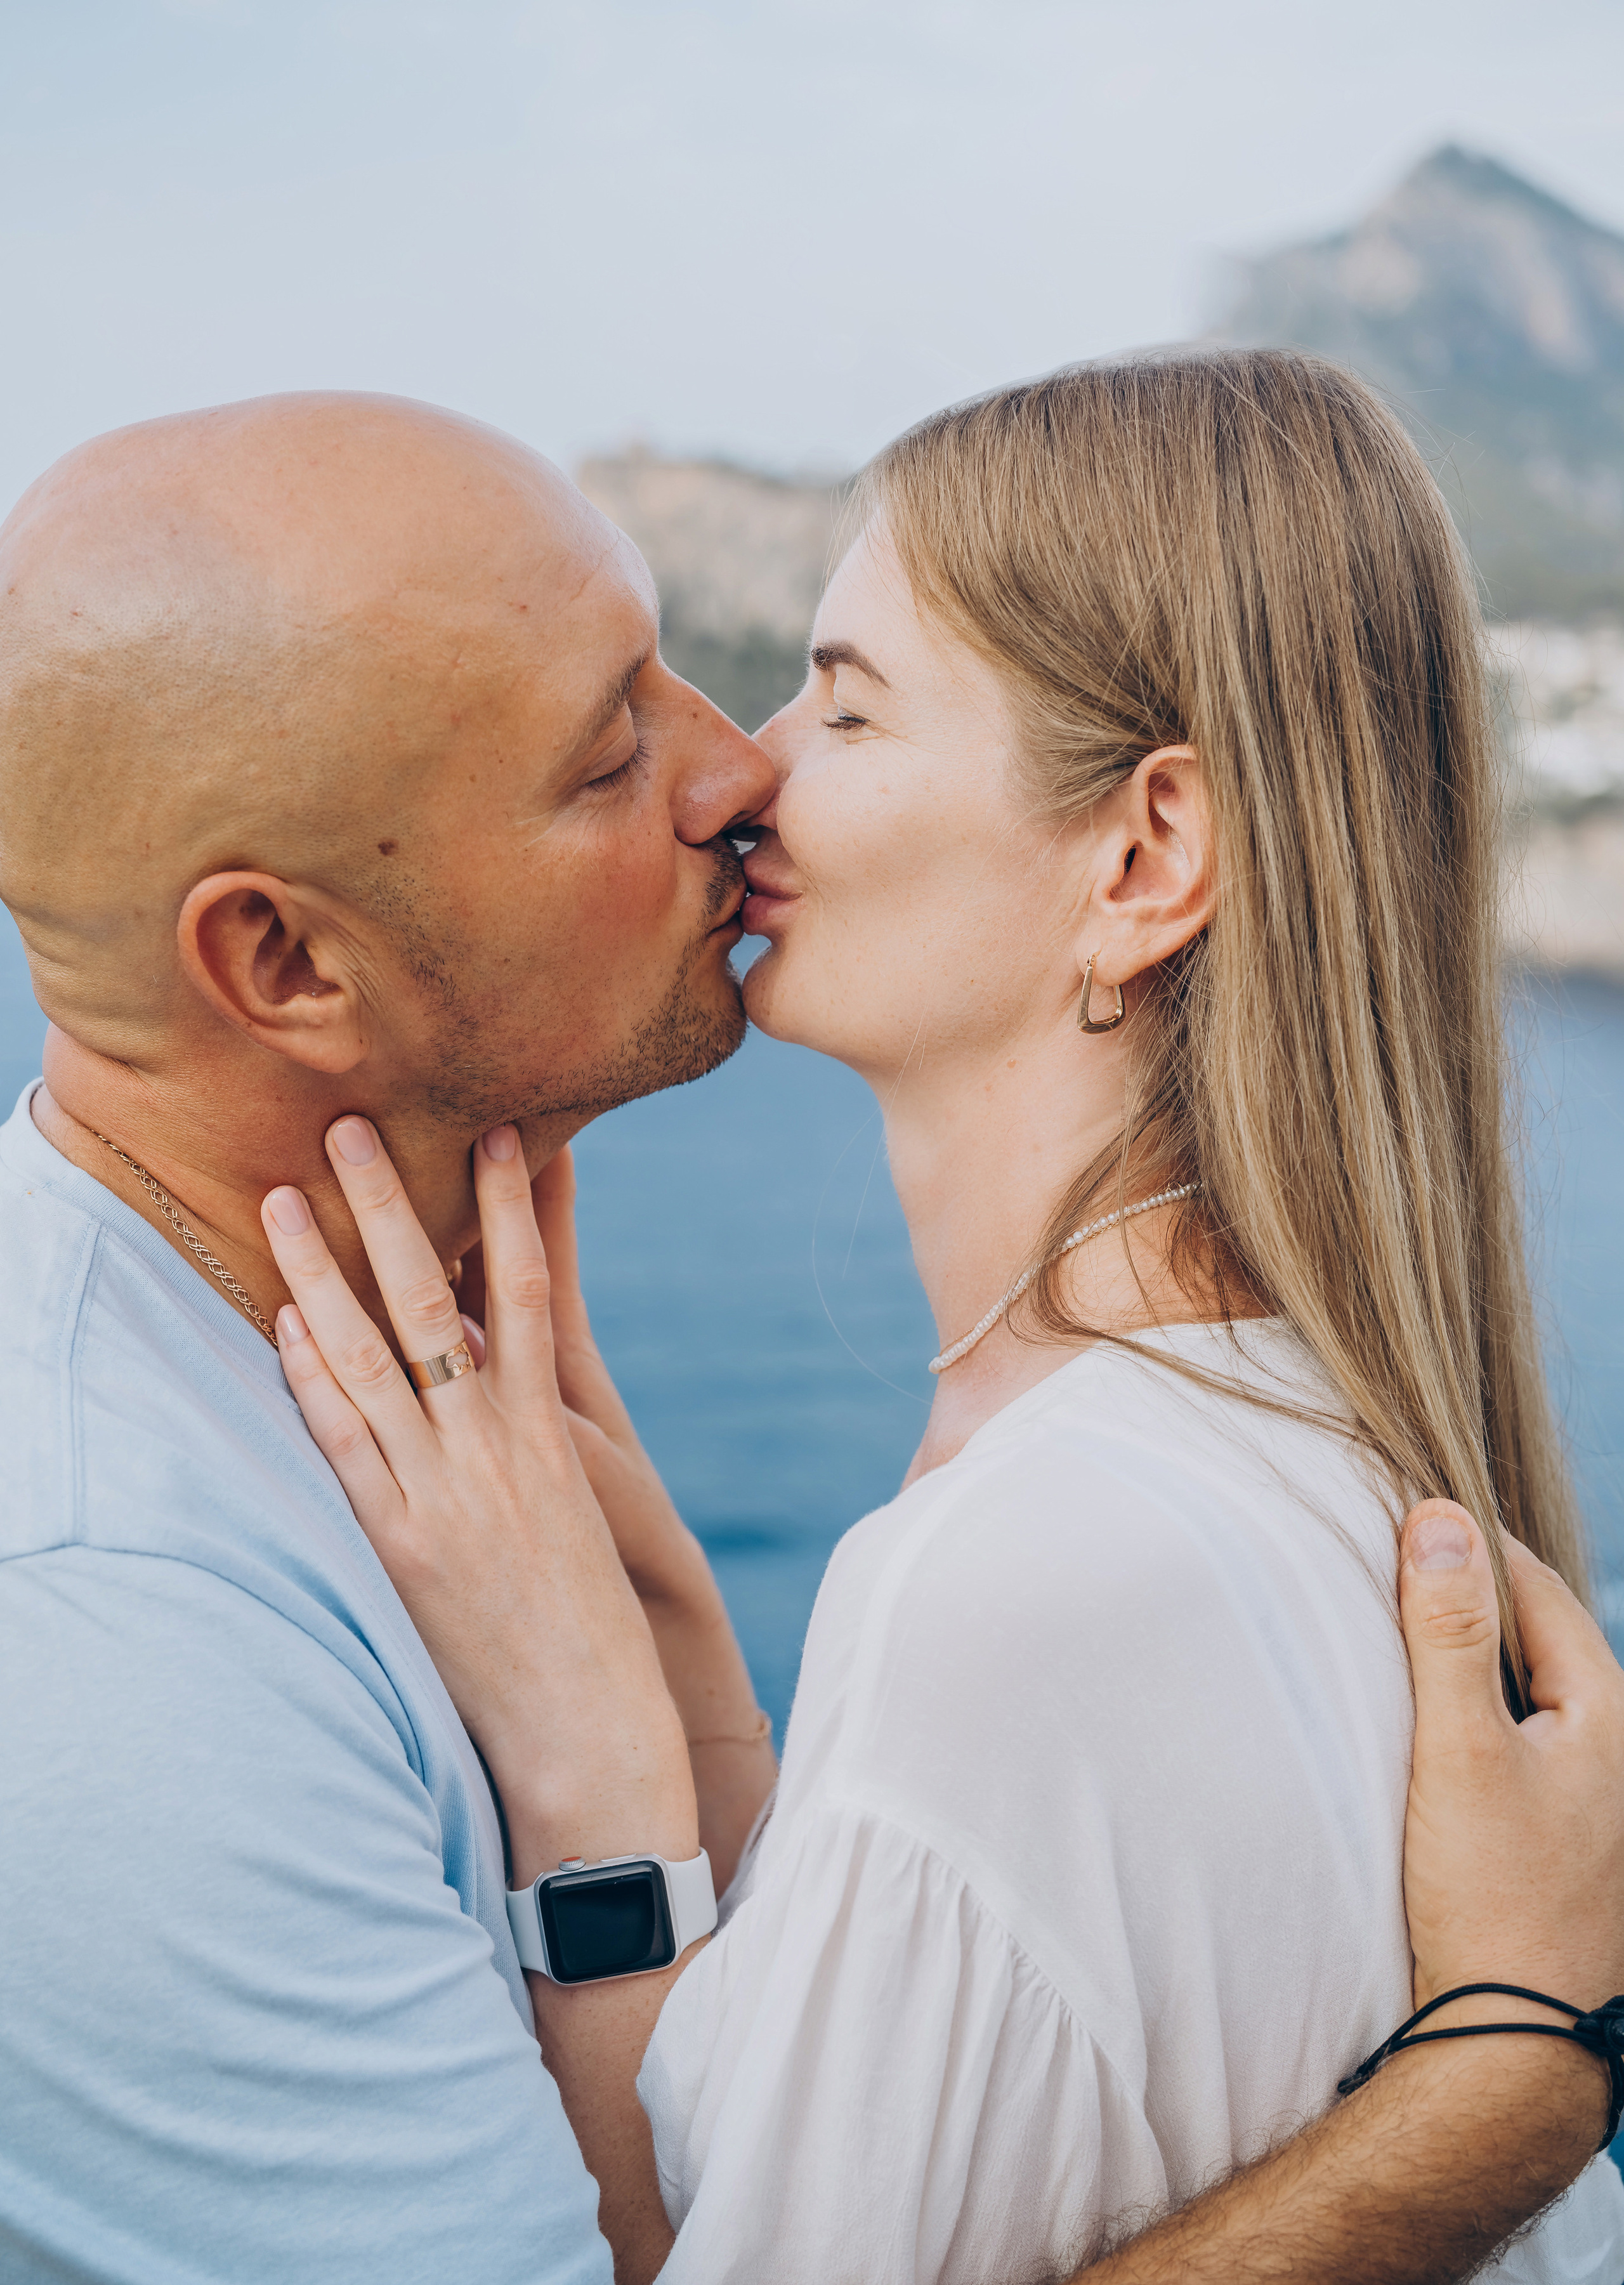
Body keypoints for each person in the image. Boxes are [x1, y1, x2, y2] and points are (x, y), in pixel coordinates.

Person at [0, 388, 1614, 2285]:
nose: (738, 771)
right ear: (285, 964)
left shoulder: (1036, 1561)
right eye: (607, 762)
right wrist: (1504, 2090)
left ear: (1146, 855)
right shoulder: (102, 1615)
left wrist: (635, 1759)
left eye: (831, 702)